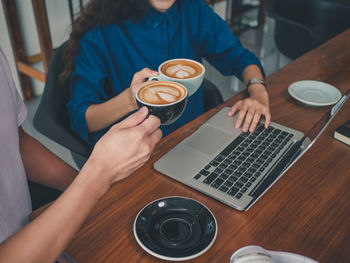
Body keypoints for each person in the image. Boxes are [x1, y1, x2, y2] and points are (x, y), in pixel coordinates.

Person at [0, 48, 162, 262]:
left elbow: (16, 141)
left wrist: (90, 189)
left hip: (42, 232)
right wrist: (99, 174)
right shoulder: (95, 45)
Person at [63, 0, 271, 146]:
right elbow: (83, 118)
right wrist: (129, 99)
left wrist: (258, 93)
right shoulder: (100, 32)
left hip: (192, 140)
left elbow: (240, 58)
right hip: (134, 153)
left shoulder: (194, 10)